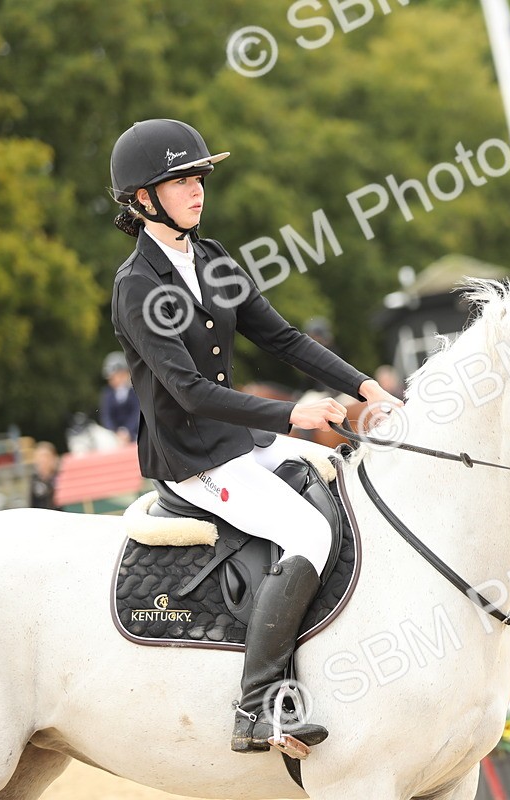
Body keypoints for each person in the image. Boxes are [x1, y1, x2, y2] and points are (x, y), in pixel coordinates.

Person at [108, 119, 403, 754]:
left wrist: (364, 388)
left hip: (239, 440)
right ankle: (259, 703)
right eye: (178, 180)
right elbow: (188, 393)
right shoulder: (136, 286)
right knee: (307, 531)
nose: (196, 190)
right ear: (141, 199)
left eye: (197, 178)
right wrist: (290, 416)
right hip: (191, 457)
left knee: (341, 477)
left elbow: (284, 339)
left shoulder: (212, 260)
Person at [99, 351, 141, 444]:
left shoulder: (135, 391)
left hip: (136, 432)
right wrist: (116, 432)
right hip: (115, 436)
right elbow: (106, 416)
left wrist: (127, 431)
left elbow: (137, 412)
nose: (112, 380)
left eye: (114, 376)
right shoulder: (107, 394)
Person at [29, 441, 59, 509]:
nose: (42, 461)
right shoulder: (34, 481)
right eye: (39, 457)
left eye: (46, 457)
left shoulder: (60, 478)